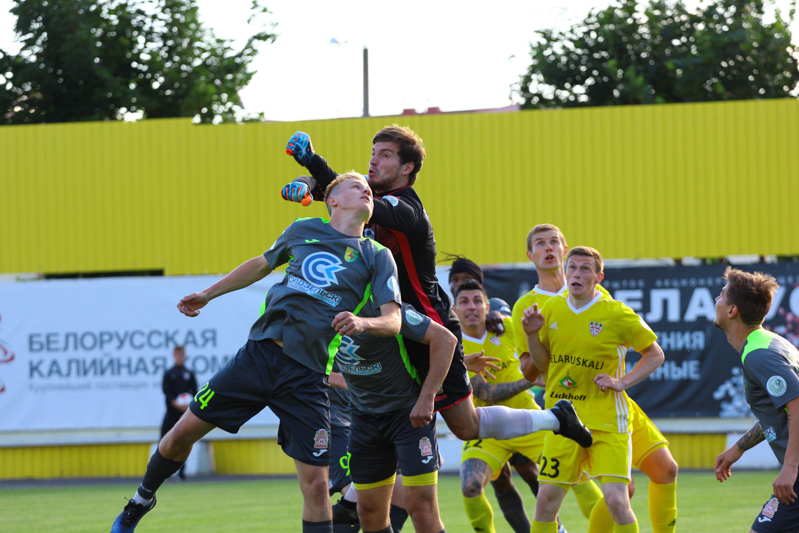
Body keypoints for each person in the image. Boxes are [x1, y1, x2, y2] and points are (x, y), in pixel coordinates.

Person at [109, 172, 403, 533]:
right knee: (179, 435)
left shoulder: (377, 255)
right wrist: (207, 294)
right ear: (333, 200)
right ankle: (141, 501)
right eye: (356, 186)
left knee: (316, 486)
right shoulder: (303, 229)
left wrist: (363, 323)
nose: (366, 190)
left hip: (308, 377)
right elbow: (262, 263)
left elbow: (393, 320)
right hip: (259, 358)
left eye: (368, 189)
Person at [282, 128, 592, 450]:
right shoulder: (363, 196)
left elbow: (345, 193)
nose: (373, 161)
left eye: (385, 155)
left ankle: (555, 418)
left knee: (466, 426)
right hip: (386, 325)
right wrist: (305, 183)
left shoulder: (407, 209)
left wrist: (311, 160)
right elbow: (334, 190)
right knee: (388, 415)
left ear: (407, 168)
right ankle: (369, 483)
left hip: (427, 329)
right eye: (373, 153)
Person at [513, 224, 679, 533]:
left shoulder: (607, 305)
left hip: (609, 412)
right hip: (564, 415)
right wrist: (534, 337)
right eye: (540, 243)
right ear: (529, 255)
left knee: (655, 475)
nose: (548, 248)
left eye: (554, 242)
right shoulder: (536, 308)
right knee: (547, 499)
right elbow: (535, 369)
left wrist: (622, 381)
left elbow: (651, 352)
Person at [333, 299, 457, 533]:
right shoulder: (318, 311)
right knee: (369, 513)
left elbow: (446, 340)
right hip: (364, 419)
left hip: (408, 417)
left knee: (421, 509)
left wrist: (427, 397)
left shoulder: (389, 309)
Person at [448, 258, 545, 533]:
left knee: (535, 474)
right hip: (485, 423)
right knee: (497, 482)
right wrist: (530, 381)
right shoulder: (449, 333)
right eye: (455, 282)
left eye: (467, 281)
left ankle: (555, 528)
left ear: (486, 301)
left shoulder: (502, 319)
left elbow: (536, 348)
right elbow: (485, 394)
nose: (460, 284)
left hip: (523, 414)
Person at [714, 268, 799, 533]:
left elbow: (797, 405)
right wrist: (739, 447)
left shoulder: (760, 355)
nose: (716, 300)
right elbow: (779, 410)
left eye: (721, 296)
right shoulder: (767, 343)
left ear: (732, 310)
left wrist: (790, 469)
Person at [160, 345, 197, 480]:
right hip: (171, 413)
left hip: (185, 414)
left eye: (181, 355)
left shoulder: (189, 373)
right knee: (164, 441)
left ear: (184, 355)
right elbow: (166, 391)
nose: (179, 357)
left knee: (183, 442)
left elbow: (195, 391)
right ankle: (163, 472)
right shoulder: (169, 373)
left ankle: (181, 472)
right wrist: (175, 403)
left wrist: (188, 405)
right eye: (177, 355)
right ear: (173, 355)